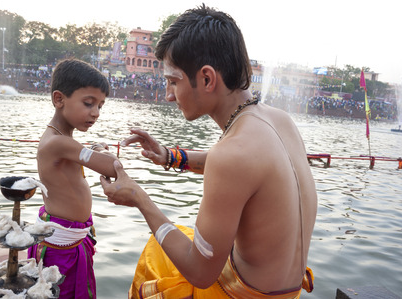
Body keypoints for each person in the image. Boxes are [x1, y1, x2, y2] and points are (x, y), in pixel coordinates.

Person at [102, 4, 317, 299]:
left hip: (237, 294)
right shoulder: (280, 120)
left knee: (154, 259)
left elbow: (201, 274)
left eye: (173, 82)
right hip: (286, 289)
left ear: (206, 78)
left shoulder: (231, 155)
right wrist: (170, 156)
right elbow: (247, 171)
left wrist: (139, 198)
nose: (168, 95)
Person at [27, 58, 118, 299]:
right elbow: (113, 167)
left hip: (73, 238)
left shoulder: (65, 140)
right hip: (60, 248)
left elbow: (90, 157)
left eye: (100, 105)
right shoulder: (58, 142)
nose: (96, 113)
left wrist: (97, 149)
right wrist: (103, 151)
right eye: (88, 103)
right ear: (59, 99)